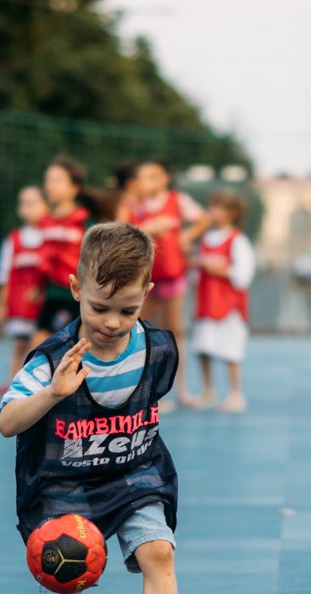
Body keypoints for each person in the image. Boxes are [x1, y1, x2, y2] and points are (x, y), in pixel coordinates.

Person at [0, 222, 222, 594]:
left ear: (148, 293)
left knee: (159, 553)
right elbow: (7, 423)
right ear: (77, 289)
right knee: (64, 593)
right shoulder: (51, 361)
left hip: (134, 472)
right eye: (100, 307)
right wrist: (52, 394)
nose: (113, 322)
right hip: (65, 484)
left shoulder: (159, 349)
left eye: (128, 309)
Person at [130, 157, 209, 407]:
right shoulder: (134, 206)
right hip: (146, 278)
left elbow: (203, 219)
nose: (146, 182)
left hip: (174, 275)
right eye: (142, 177)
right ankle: (150, 392)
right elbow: (125, 230)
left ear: (164, 179)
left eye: (152, 176)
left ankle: (182, 389)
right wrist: (149, 228)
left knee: (175, 331)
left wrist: (187, 236)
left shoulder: (177, 201)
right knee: (147, 331)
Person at [191, 190, 256, 413]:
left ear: (233, 213)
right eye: (213, 207)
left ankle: (235, 393)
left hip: (229, 307)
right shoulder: (206, 239)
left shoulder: (238, 240)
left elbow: (244, 275)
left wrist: (220, 269)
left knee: (231, 351)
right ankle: (207, 391)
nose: (214, 212)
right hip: (206, 304)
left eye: (220, 208)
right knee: (203, 348)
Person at [33, 158, 94, 349]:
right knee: (38, 345)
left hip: (77, 296)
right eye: (48, 180)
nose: (50, 185)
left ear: (74, 188)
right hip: (52, 295)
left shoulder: (85, 222)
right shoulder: (44, 223)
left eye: (57, 180)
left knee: (75, 348)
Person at [0, 186, 49, 385]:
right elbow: (4, 275)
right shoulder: (14, 239)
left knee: (41, 344)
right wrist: (2, 305)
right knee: (19, 344)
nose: (28, 208)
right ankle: (13, 383)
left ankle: (39, 383)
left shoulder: (50, 236)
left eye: (33, 203)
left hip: (43, 304)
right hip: (20, 304)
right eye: (24, 203)